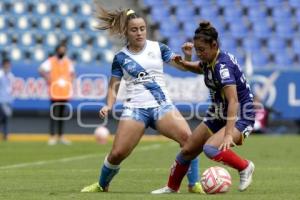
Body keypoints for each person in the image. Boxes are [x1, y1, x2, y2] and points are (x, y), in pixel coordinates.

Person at [81, 6, 204, 194]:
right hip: (135, 109)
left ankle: (193, 184)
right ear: (126, 32)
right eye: (134, 30)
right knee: (118, 153)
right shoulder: (120, 57)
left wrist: (187, 55)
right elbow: (114, 85)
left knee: (189, 140)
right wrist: (109, 104)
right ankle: (101, 185)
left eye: (142, 29)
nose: (139, 33)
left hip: (162, 106)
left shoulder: (158, 48)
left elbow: (183, 67)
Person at [151, 21, 256, 194]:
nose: (199, 54)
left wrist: (229, 135)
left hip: (240, 114)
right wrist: (186, 60)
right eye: (197, 50)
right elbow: (198, 68)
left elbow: (233, 101)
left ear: (214, 45)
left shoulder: (223, 67)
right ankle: (172, 187)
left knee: (210, 148)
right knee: (188, 150)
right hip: (218, 113)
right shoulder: (209, 60)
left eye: (201, 50)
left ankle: (245, 167)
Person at [39, 42, 75, 145]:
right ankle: (52, 136)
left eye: (63, 50)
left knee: (62, 115)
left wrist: (70, 82)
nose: (62, 52)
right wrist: (47, 77)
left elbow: (73, 74)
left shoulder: (68, 62)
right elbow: (41, 69)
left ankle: (61, 135)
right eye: (60, 50)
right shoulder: (51, 61)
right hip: (55, 92)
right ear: (57, 50)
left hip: (64, 92)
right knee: (54, 114)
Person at [0, 58, 14, 141]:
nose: (8, 66)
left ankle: (5, 134)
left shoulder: (10, 75)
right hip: (1, 100)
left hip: (8, 100)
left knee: (5, 118)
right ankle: (5, 134)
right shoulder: (0, 75)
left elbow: (11, 88)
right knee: (3, 117)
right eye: (6, 65)